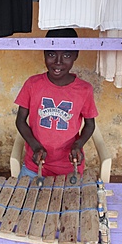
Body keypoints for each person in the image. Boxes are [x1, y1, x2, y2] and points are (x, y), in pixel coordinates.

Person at [15, 28, 98, 179]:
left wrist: (78, 145)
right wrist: (35, 146)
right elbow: (20, 120)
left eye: (66, 55)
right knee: (23, 201)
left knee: (69, 202)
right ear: (44, 54)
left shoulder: (84, 89)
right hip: (35, 165)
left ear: (75, 55)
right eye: (52, 54)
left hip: (69, 166)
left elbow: (90, 124)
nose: (58, 62)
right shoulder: (32, 84)